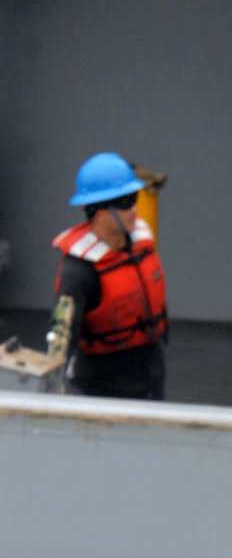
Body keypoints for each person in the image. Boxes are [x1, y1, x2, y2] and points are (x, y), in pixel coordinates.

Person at [51, 153, 168, 399]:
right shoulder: (80, 269)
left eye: (134, 199)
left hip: (151, 378)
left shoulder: (140, 243)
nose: (134, 209)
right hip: (101, 388)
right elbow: (62, 336)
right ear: (100, 212)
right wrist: (53, 388)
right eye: (125, 202)